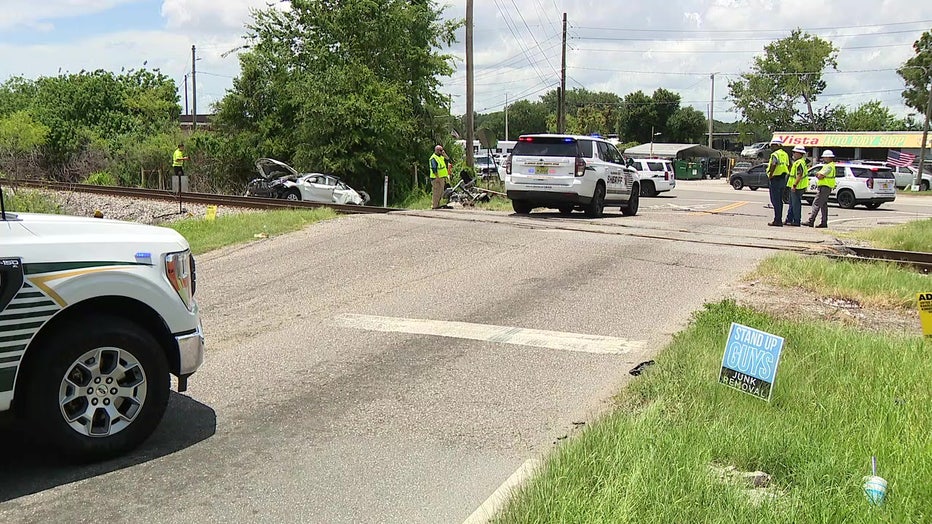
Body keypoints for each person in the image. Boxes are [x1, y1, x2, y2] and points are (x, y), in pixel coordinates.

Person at [803, 150, 836, 228]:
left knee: (816, 203)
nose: (823, 159)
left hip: (824, 187)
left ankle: (811, 221)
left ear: (828, 157)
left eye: (824, 157)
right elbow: (819, 174)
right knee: (823, 205)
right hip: (826, 187)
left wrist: (818, 174)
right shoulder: (830, 165)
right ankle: (824, 222)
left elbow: (820, 175)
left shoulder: (828, 166)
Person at [765, 138, 789, 226]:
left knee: (775, 200)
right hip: (783, 179)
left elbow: (774, 164)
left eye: (773, 145)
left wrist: (770, 174)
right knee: (779, 200)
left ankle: (777, 220)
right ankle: (778, 218)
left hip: (775, 178)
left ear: (777, 145)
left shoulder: (775, 154)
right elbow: (788, 165)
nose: (771, 147)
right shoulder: (785, 154)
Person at [784, 145, 808, 226]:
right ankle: (789, 219)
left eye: (794, 152)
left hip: (797, 187)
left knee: (795, 204)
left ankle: (796, 221)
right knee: (792, 204)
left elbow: (799, 175)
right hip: (796, 186)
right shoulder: (800, 162)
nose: (793, 154)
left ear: (799, 153)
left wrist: (794, 185)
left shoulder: (799, 163)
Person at [429, 144, 451, 209]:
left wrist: (444, 154)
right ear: (437, 150)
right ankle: (434, 206)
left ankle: (437, 205)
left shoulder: (441, 157)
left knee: (441, 192)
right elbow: (434, 168)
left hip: (442, 178)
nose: (442, 151)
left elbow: (448, 159)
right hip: (436, 178)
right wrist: (437, 177)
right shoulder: (433, 158)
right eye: (440, 150)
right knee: (436, 192)